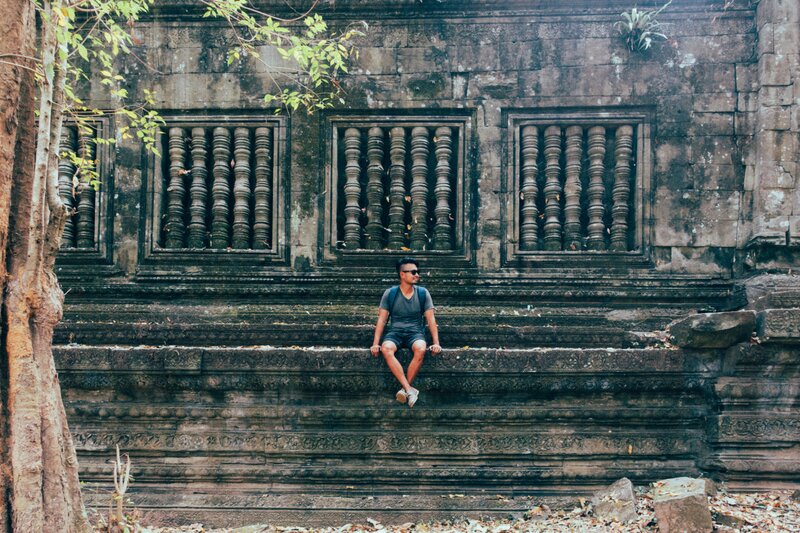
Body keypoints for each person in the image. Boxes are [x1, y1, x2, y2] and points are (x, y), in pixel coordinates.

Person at [370, 258, 441, 407]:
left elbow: (431, 320)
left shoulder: (423, 293)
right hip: (395, 332)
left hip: (415, 332)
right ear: (402, 274)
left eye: (418, 272)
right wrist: (375, 344)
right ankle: (409, 389)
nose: (417, 275)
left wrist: (436, 343)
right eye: (413, 272)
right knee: (386, 348)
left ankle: (405, 389)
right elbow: (382, 320)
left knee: (421, 348)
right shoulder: (390, 294)